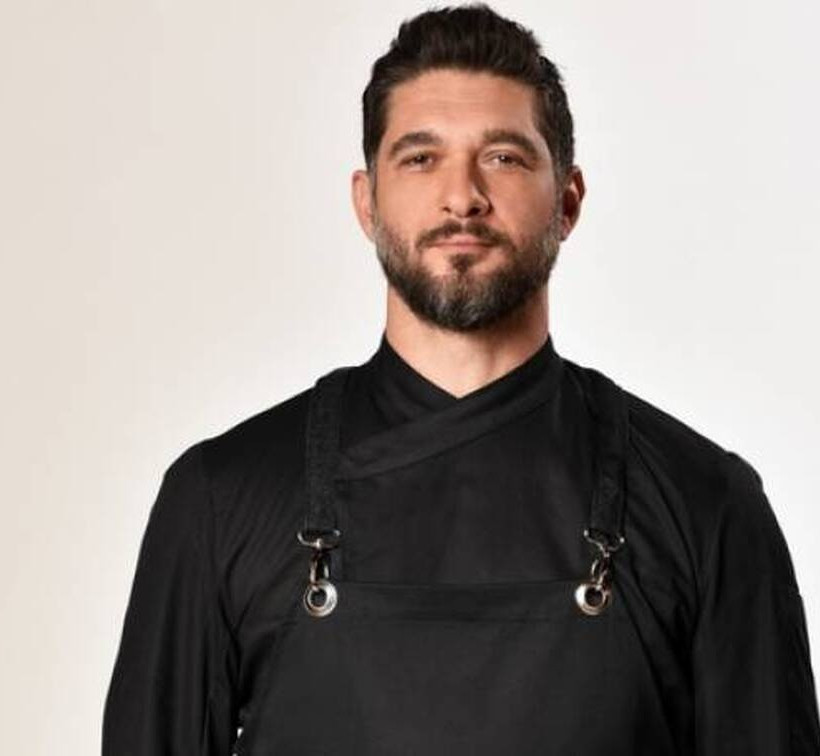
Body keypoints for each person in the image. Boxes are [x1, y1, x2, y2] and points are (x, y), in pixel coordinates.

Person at [102, 4, 820, 754]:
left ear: (567, 200)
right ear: (366, 202)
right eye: (420, 158)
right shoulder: (220, 500)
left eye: (504, 157)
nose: (462, 196)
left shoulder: (708, 506)